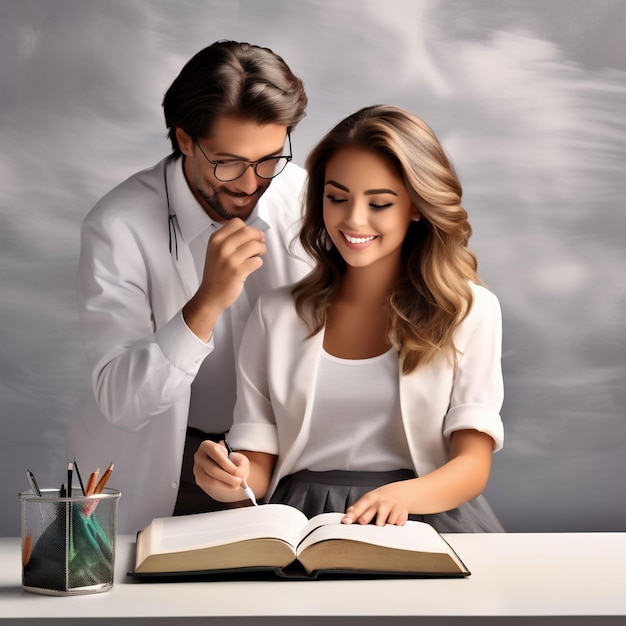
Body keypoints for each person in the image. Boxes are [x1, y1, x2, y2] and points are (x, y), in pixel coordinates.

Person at [194, 104, 505, 532]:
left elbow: (472, 464)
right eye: (337, 198)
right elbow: (258, 467)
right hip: (298, 524)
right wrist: (228, 479)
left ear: (416, 206)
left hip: (426, 517)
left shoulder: (469, 310)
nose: (353, 219)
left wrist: (401, 497)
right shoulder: (275, 313)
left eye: (379, 203)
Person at [66, 40, 310, 534]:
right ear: (183, 139)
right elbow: (122, 401)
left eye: (268, 160)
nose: (249, 184)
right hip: (167, 467)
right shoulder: (118, 225)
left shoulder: (307, 199)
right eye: (227, 163)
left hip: (284, 462)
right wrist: (206, 303)